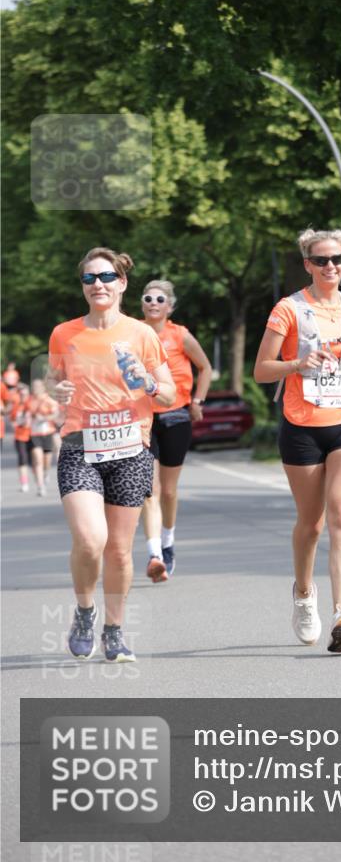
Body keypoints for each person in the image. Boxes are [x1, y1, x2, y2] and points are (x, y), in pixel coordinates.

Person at [254, 228, 341, 654]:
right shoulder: (288, 310)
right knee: (312, 524)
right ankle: (304, 594)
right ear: (307, 264)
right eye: (322, 260)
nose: (331, 267)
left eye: (338, 259)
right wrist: (296, 362)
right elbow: (261, 370)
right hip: (303, 425)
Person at [48, 248, 175, 662]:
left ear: (121, 283)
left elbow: (169, 393)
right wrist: (58, 392)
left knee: (119, 550)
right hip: (79, 446)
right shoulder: (64, 334)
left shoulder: (142, 334)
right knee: (90, 540)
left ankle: (114, 631)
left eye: (105, 277)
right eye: (89, 279)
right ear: (82, 286)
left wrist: (149, 385)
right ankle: (85, 611)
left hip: (129, 449)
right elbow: (54, 383)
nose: (97, 284)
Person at [139, 279, 212, 581]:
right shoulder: (134, 332)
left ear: (169, 306)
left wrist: (197, 400)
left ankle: (168, 541)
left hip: (175, 416)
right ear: (141, 304)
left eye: (160, 299)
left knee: (168, 490)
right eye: (148, 298)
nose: (153, 303)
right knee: (149, 489)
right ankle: (154, 553)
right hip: (142, 417)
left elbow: (205, 367)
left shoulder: (180, 335)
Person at [29, 378, 60, 496]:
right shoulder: (29, 400)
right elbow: (24, 413)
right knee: (38, 460)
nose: (35, 389)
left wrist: (45, 418)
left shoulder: (48, 400)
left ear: (42, 388)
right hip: (33, 434)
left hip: (47, 432)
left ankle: (46, 472)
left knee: (47, 460)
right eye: (33, 387)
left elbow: (56, 414)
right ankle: (40, 486)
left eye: (37, 386)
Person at [11, 383, 33, 492]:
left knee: (36, 460)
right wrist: (15, 423)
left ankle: (43, 474)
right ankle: (24, 483)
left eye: (25, 394)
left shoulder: (33, 403)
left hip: (34, 436)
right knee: (22, 460)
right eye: (21, 394)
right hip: (20, 436)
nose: (23, 396)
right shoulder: (16, 406)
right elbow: (12, 420)